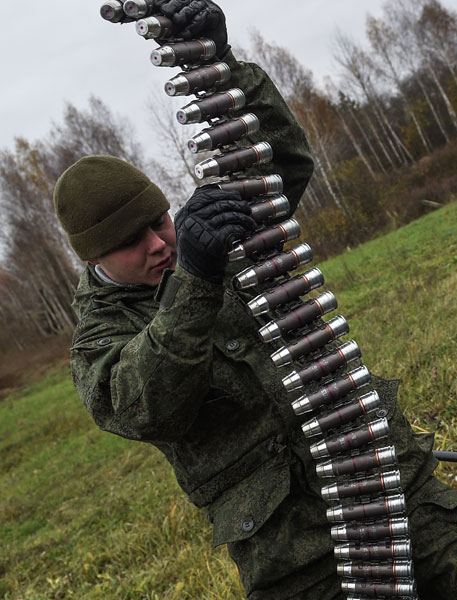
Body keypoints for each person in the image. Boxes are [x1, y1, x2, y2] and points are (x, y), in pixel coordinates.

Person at [53, 1, 457, 598]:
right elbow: (146, 407)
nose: (157, 243)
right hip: (290, 551)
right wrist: (195, 275)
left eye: (158, 222)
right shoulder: (98, 336)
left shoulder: (207, 221)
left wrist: (221, 62)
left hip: (386, 476)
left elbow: (283, 164)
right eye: (129, 243)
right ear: (92, 260)